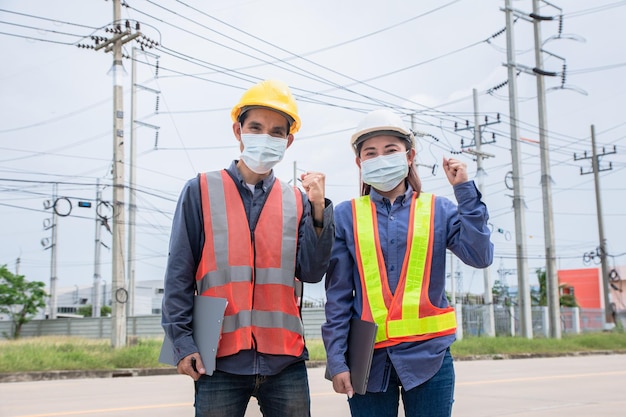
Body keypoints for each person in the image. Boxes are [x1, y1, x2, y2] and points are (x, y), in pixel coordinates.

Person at [162, 79, 335, 417]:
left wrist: (318, 210)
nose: (265, 137)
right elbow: (178, 275)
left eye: (276, 132)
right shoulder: (200, 190)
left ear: (289, 140)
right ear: (238, 130)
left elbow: (312, 272)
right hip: (220, 358)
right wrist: (182, 344)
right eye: (256, 127)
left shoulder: (297, 201)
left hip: (285, 359)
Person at [321, 109, 493, 417]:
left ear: (409, 155)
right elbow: (337, 296)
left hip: (429, 356)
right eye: (370, 153)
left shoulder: (438, 209)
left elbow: (480, 256)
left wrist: (464, 191)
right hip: (368, 361)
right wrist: (336, 359)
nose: (380, 158)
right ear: (360, 163)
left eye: (391, 150)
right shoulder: (346, 216)